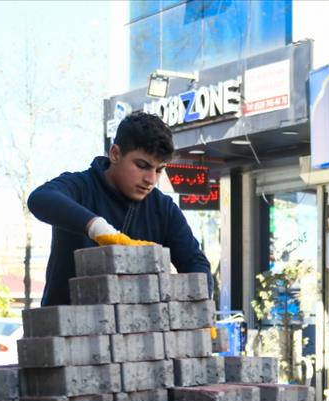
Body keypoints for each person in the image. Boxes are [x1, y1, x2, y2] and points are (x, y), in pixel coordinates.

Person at [29, 111, 213, 307]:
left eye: (159, 170)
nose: (151, 179)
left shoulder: (163, 208)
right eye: (142, 165)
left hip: (140, 333)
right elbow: (39, 198)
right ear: (115, 154)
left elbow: (195, 263)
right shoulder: (81, 186)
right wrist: (98, 228)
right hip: (67, 330)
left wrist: (201, 309)